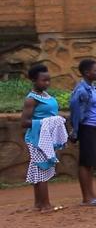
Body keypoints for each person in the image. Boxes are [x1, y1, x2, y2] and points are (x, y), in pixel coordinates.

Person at [21, 64, 67, 213]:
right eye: (43, 80)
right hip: (36, 139)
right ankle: (46, 205)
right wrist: (44, 122)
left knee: (38, 168)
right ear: (34, 80)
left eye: (48, 80)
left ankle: (38, 204)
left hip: (46, 138)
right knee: (42, 169)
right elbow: (24, 122)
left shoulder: (46, 96)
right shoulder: (31, 99)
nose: (47, 83)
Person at [69, 59, 96, 207]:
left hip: (92, 127)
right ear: (87, 72)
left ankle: (92, 194)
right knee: (85, 162)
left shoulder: (92, 88)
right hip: (85, 128)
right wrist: (76, 129)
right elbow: (75, 109)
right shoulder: (81, 90)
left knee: (90, 162)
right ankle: (87, 197)